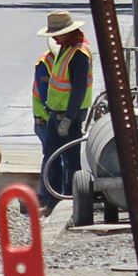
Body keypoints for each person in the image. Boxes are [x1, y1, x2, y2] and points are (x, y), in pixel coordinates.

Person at [31, 10, 93, 181]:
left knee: (71, 161)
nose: (55, 39)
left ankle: (74, 199)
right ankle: (51, 201)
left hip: (69, 116)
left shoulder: (79, 55)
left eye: (58, 34)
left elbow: (78, 90)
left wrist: (69, 118)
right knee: (51, 157)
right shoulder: (66, 50)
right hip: (56, 114)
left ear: (68, 32)